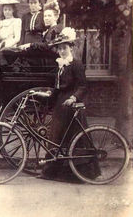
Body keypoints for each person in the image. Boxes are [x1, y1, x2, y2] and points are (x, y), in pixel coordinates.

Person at [37, 27, 100, 181]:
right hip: (60, 106)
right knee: (56, 138)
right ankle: (51, 172)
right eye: (59, 49)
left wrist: (73, 98)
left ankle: (75, 175)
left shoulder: (76, 64)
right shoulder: (60, 65)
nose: (62, 51)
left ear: (71, 47)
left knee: (73, 138)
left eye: (64, 48)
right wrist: (46, 95)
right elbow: (58, 88)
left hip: (71, 107)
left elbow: (83, 86)